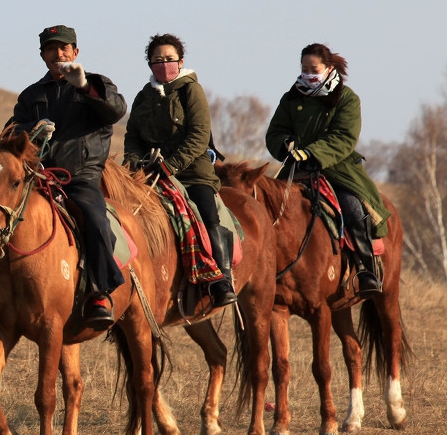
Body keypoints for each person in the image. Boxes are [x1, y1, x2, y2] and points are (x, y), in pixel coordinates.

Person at [0, 24, 128, 334]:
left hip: (80, 176)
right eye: (51, 49)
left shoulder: (98, 84)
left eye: (64, 48)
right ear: (42, 55)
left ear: (75, 52)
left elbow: (114, 111)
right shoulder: (31, 95)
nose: (58, 53)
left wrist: (84, 86)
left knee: (95, 218)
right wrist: (32, 129)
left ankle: (99, 293)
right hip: (37, 177)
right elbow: (11, 132)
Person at [122, 33, 237, 307]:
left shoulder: (191, 91)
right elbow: (132, 136)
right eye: (157, 60)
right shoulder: (142, 97)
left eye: (169, 59)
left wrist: (171, 165)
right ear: (150, 64)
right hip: (151, 175)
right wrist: (135, 163)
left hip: (193, 173)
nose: (164, 64)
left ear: (181, 61)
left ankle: (221, 279)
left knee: (207, 214)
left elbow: (199, 135)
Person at [265, 43, 388, 297]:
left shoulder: (347, 98)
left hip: (337, 169)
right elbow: (275, 131)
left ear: (329, 68)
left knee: (353, 210)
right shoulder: (291, 97)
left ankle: (367, 270)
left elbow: (344, 137)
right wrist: (285, 144)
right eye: (304, 69)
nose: (308, 74)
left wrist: (312, 153)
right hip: (296, 168)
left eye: (314, 69)